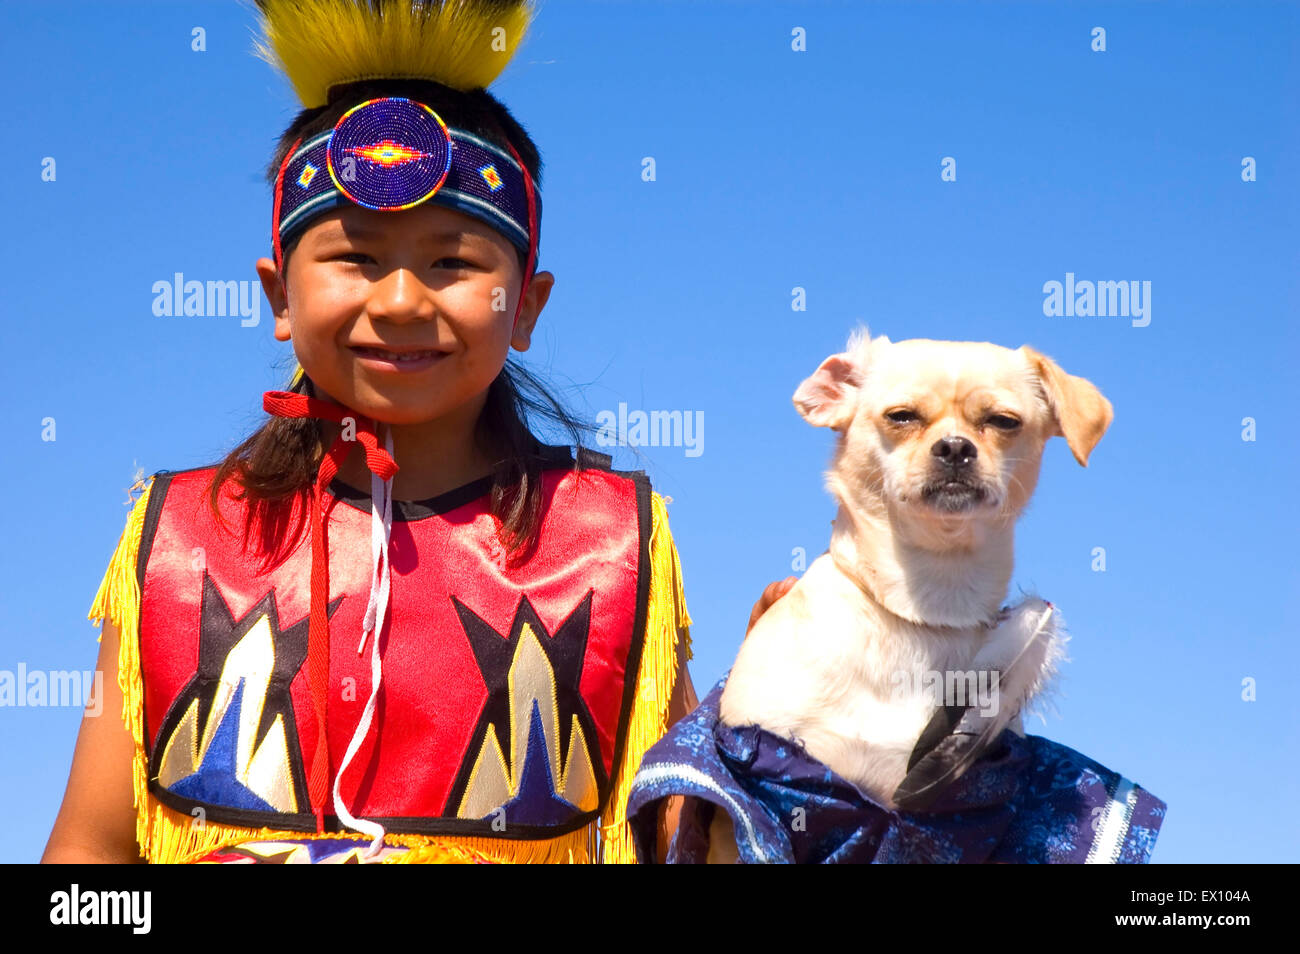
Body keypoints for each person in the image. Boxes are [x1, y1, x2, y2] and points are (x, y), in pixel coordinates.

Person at [42, 0, 721, 865]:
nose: (400, 301)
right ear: (279, 296)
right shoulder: (178, 539)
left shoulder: (610, 548)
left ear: (527, 307)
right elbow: (86, 864)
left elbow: (687, 846)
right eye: (357, 256)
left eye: (453, 262)